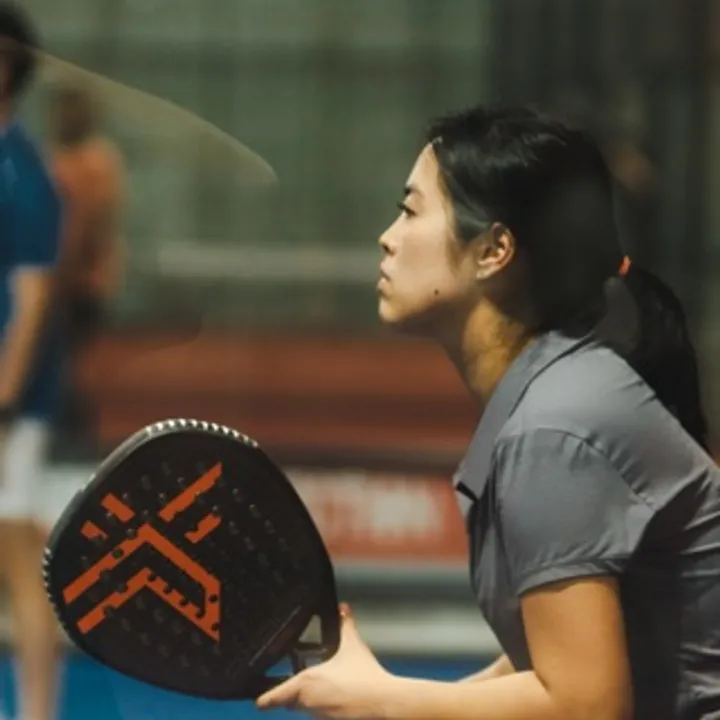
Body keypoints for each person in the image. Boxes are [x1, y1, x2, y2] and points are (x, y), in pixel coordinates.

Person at [256, 106, 720, 719]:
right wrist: (382, 696)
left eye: (410, 210)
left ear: (494, 250)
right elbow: (550, 653)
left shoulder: (554, 428)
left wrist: (379, 699)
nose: (388, 236)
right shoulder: (555, 396)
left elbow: (585, 706)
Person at [0, 4, 63, 720]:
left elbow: (34, 300)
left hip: (13, 404)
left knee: (16, 552)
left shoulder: (22, 173)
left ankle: (38, 712)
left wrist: (4, 404)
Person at [45, 82, 124, 442]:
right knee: (57, 361)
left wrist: (65, 271)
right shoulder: (55, 158)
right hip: (59, 278)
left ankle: (71, 433)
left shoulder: (96, 162)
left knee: (68, 363)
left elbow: (88, 225)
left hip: (79, 282)